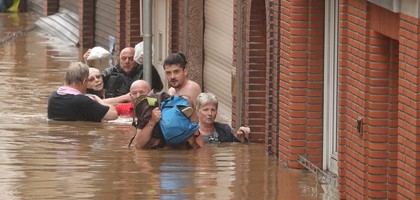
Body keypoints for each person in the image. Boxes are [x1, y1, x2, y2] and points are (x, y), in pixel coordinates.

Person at [47, 62, 118, 122]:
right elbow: (113, 115)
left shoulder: (52, 97)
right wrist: (99, 100)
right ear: (84, 82)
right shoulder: (83, 101)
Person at [83, 47, 163, 98]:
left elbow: (159, 87)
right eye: (124, 58)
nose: (127, 62)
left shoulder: (145, 71)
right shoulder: (111, 72)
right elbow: (92, 80)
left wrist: (148, 63)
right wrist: (88, 63)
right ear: (119, 60)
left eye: (131, 59)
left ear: (136, 60)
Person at [163, 52, 201, 121]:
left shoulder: (192, 88)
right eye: (168, 73)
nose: (172, 77)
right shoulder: (170, 91)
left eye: (176, 72)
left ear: (185, 72)